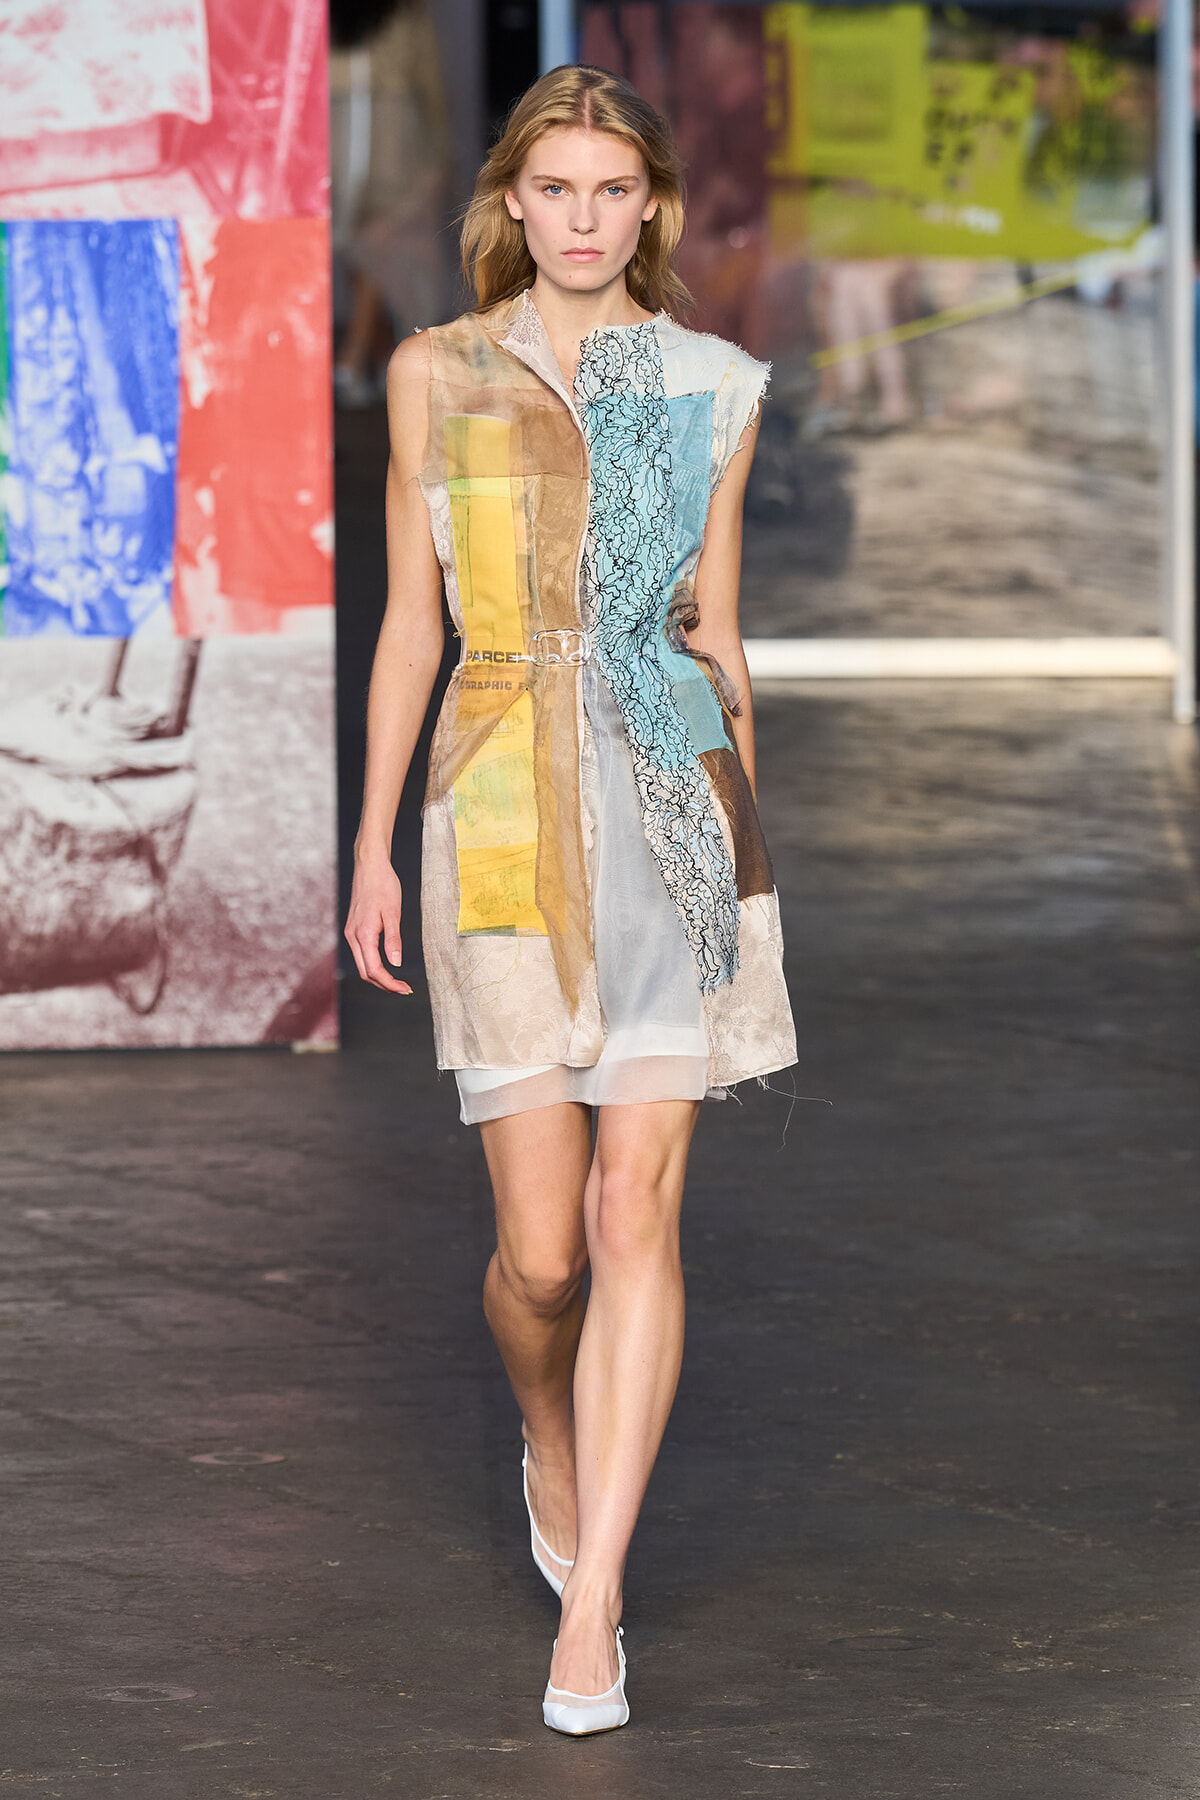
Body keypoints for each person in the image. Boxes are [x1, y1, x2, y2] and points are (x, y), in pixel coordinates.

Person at [344, 64, 796, 1736]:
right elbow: (412, 623)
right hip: (503, 804)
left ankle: (594, 1600)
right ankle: (548, 1434)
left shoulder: (711, 384)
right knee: (539, 1258)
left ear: (652, 207)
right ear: (514, 206)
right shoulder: (436, 375)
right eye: (560, 191)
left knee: (632, 1220)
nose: (589, 218)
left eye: (617, 191)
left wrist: (750, 844)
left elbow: (719, 633)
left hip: (672, 795)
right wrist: (373, 842)